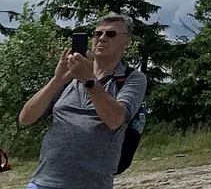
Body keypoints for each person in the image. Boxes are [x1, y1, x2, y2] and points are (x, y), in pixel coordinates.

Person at [19, 13, 148, 189]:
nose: (102, 38)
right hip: (42, 181)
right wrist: (56, 81)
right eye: (97, 34)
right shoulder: (69, 77)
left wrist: (89, 79)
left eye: (110, 34)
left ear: (126, 42)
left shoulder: (131, 79)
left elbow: (115, 120)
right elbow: (26, 118)